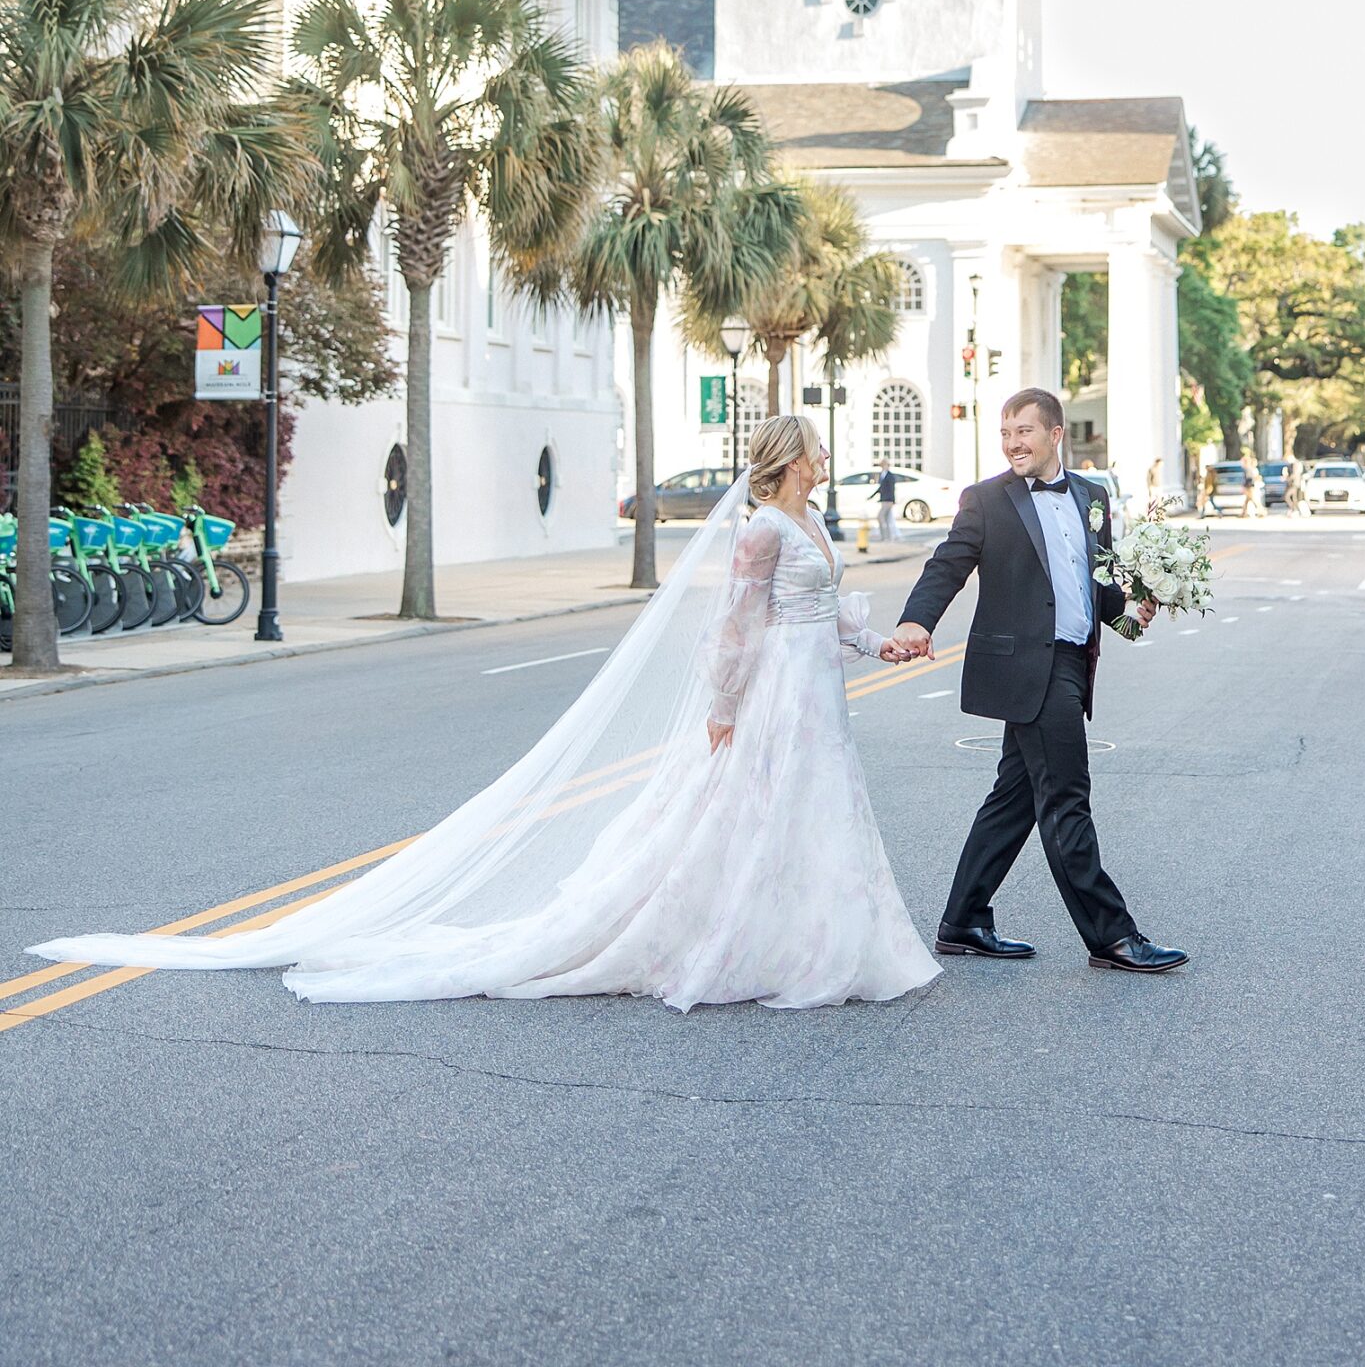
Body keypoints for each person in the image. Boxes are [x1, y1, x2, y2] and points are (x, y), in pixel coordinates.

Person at [35, 415, 939, 1014]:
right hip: (779, 690)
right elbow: (739, 629)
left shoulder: (813, 526)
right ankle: (744, 939)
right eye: (815, 452)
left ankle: (818, 937)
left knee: (817, 813)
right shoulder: (761, 531)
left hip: (819, 684)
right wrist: (722, 707)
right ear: (788, 463)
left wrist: (879, 646)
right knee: (755, 812)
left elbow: (824, 614)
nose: (825, 461)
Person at [880, 387, 1187, 977]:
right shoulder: (986, 500)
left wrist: (1129, 614)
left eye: (1023, 431)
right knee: (1067, 801)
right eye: (1004, 432)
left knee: (1014, 799)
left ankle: (963, 921)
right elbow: (948, 562)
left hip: (1072, 662)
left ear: (1055, 434)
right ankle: (1113, 936)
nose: (1012, 443)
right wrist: (916, 620)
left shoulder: (1091, 496)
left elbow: (1091, 587)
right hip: (1030, 668)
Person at [875, 464, 898, 544]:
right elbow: (881, 488)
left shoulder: (890, 476)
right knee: (887, 519)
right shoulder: (882, 475)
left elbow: (892, 489)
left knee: (881, 517)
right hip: (884, 500)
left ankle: (886, 537)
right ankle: (887, 537)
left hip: (888, 500)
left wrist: (893, 500)